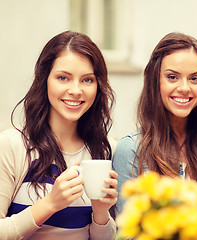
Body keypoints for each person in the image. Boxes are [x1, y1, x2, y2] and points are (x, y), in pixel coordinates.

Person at [0, 30, 118, 240]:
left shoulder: (106, 149)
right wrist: (50, 204)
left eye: (87, 80)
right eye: (63, 78)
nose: (75, 90)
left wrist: (101, 213)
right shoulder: (12, 145)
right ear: (44, 79)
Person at [112, 32, 197, 216]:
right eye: (172, 77)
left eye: (195, 78)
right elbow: (127, 233)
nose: (184, 88)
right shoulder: (131, 149)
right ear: (154, 80)